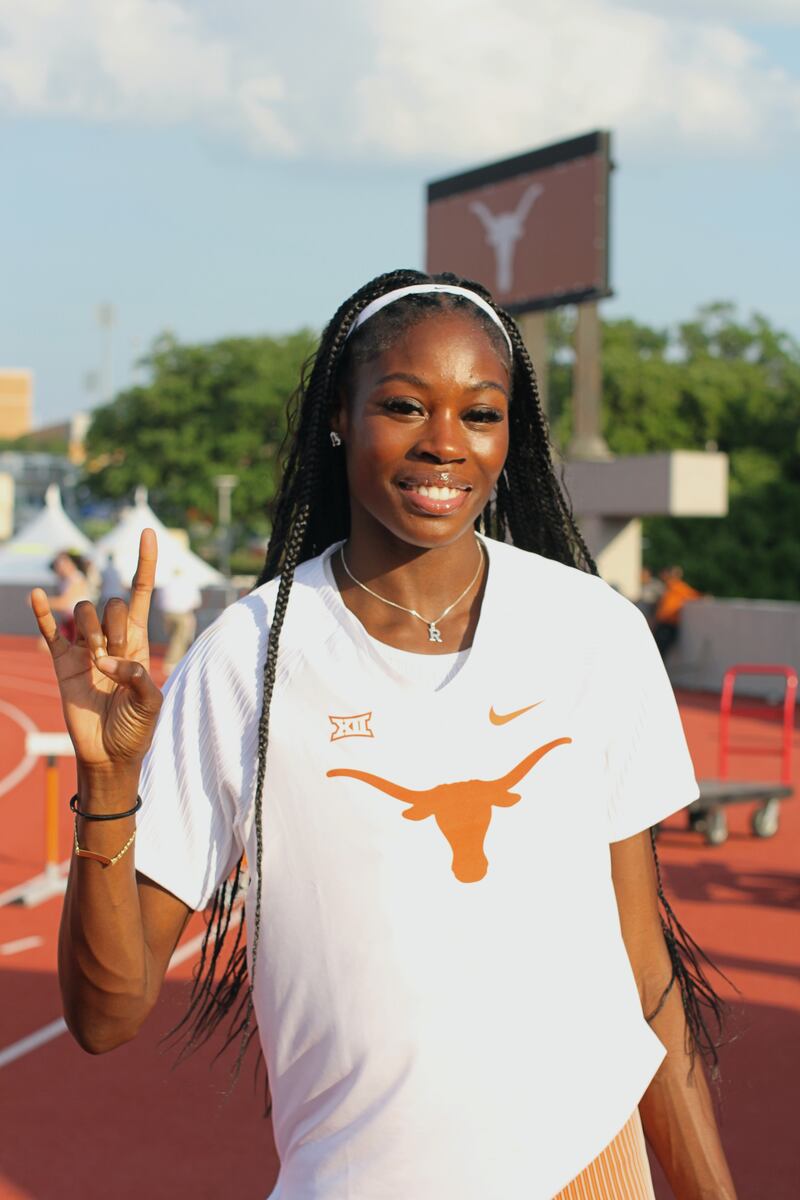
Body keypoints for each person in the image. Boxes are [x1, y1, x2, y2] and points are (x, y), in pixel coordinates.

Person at [31, 270, 737, 1200]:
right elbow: (106, 1014)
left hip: (587, 1170)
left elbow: (644, 974)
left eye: (479, 414)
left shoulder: (593, 630)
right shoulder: (250, 655)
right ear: (340, 414)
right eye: (404, 405)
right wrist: (109, 781)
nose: (444, 441)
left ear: (510, 433)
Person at [156, 564, 202, 675]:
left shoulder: (166, 583)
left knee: (174, 637)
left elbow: (158, 600)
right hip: (182, 613)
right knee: (179, 638)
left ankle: (175, 661)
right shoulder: (189, 584)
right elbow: (196, 602)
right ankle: (172, 662)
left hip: (167, 613)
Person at [652, 565, 704, 660]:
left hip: (669, 625)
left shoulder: (680, 587)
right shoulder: (667, 587)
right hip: (662, 623)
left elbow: (695, 596)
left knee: (660, 650)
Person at [46, 551, 93, 642]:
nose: (59, 567)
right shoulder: (63, 581)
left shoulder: (76, 579)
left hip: (79, 622)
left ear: (71, 564)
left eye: (63, 563)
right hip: (69, 622)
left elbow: (64, 603)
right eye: (58, 564)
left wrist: (40, 602)